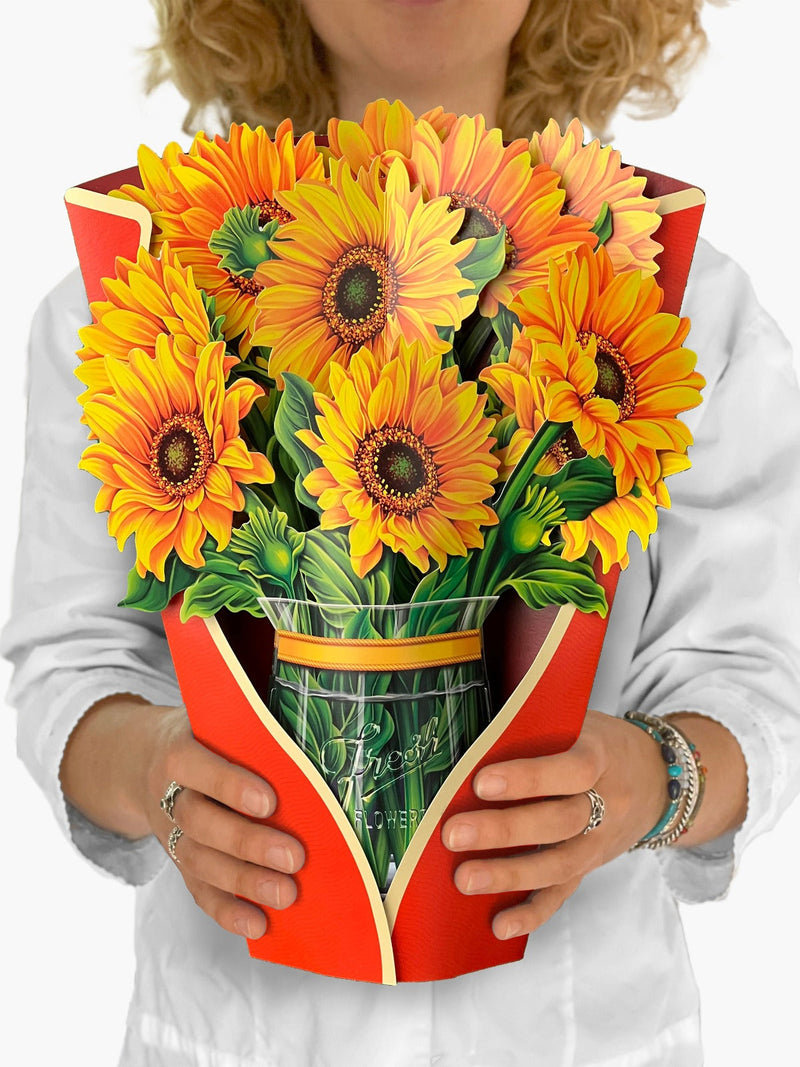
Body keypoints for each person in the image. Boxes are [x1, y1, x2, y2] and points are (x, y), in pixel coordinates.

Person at [3, 1, 800, 1064]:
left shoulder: (681, 301)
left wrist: (651, 779)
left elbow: (756, 673)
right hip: (236, 1024)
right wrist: (154, 768)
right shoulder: (134, 296)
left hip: (581, 1027)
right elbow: (68, 657)